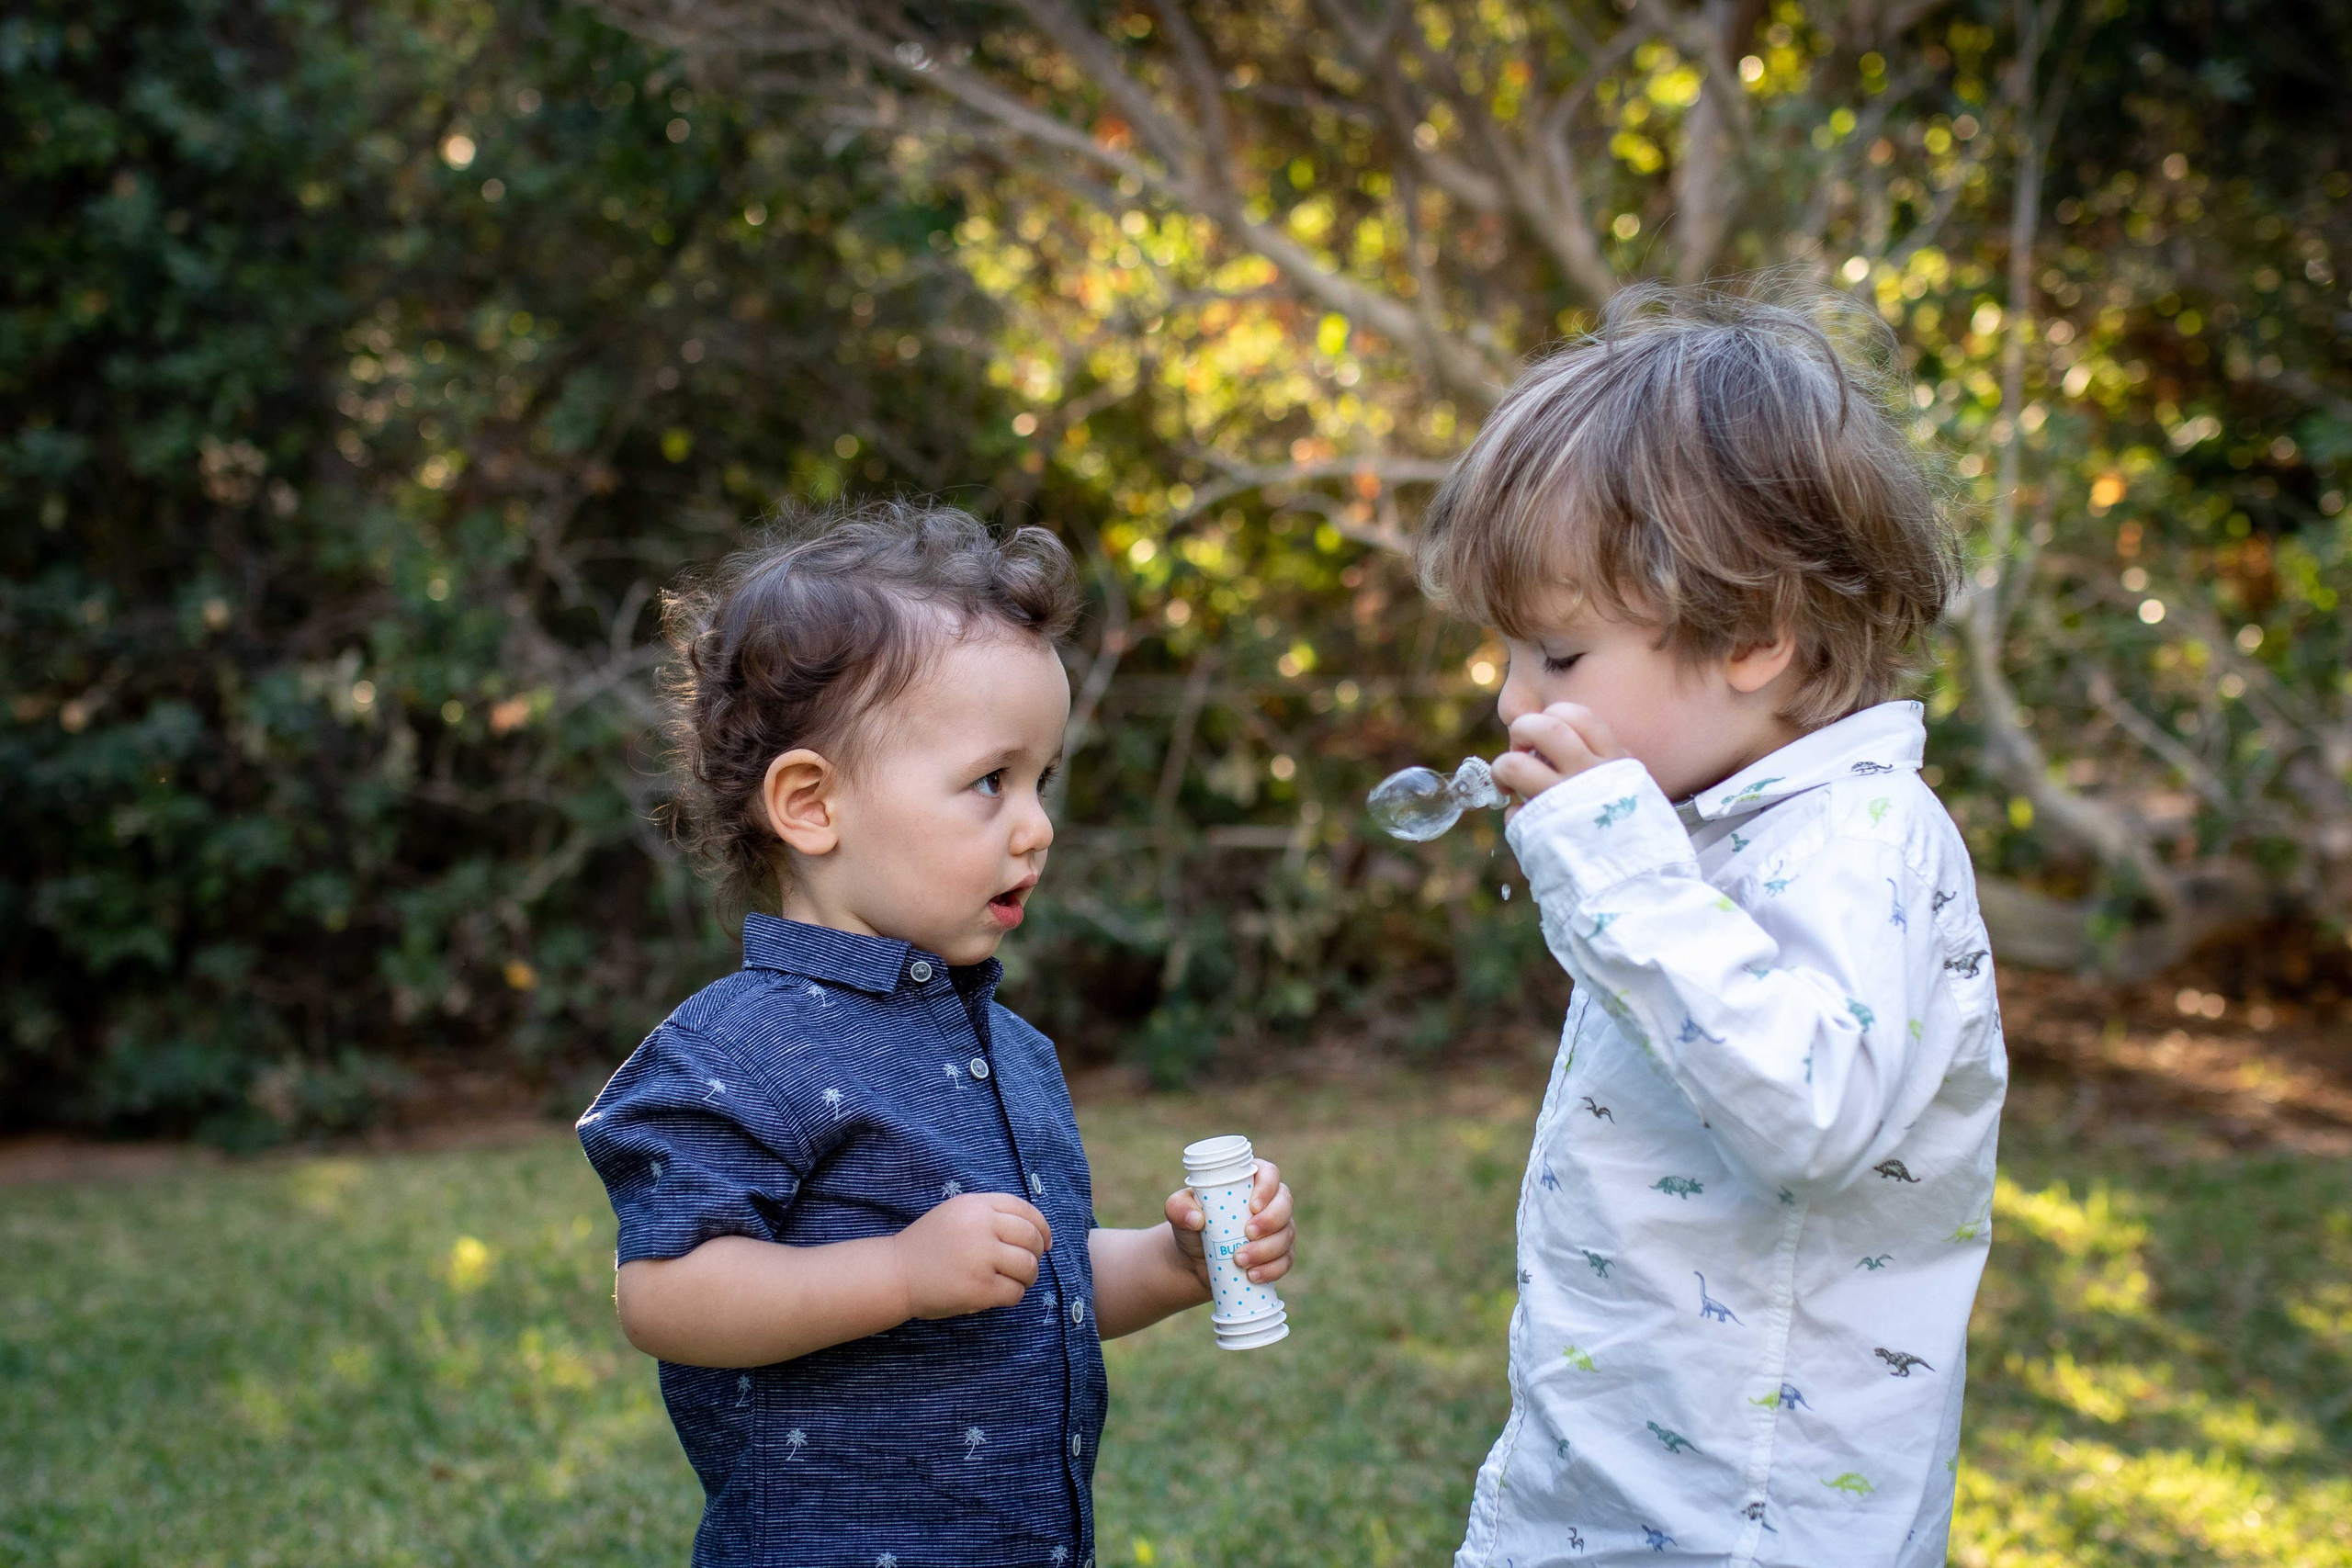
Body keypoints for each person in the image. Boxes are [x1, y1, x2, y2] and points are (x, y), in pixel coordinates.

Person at [576, 502, 1296, 1567]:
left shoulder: (1008, 1048)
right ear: (812, 805)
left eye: (1042, 781)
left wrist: (1173, 1261)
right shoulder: (737, 1046)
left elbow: (1032, 1283)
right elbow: (666, 1293)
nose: (1035, 826)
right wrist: (900, 1274)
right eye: (990, 781)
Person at [1415, 281, 2001, 1567]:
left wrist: (1619, 873)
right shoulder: (1708, 833)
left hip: (1749, 1517)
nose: (1512, 701)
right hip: (1609, 1473)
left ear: (1754, 637)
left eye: (1558, 655)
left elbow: (1812, 1115)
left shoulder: (1863, 843)